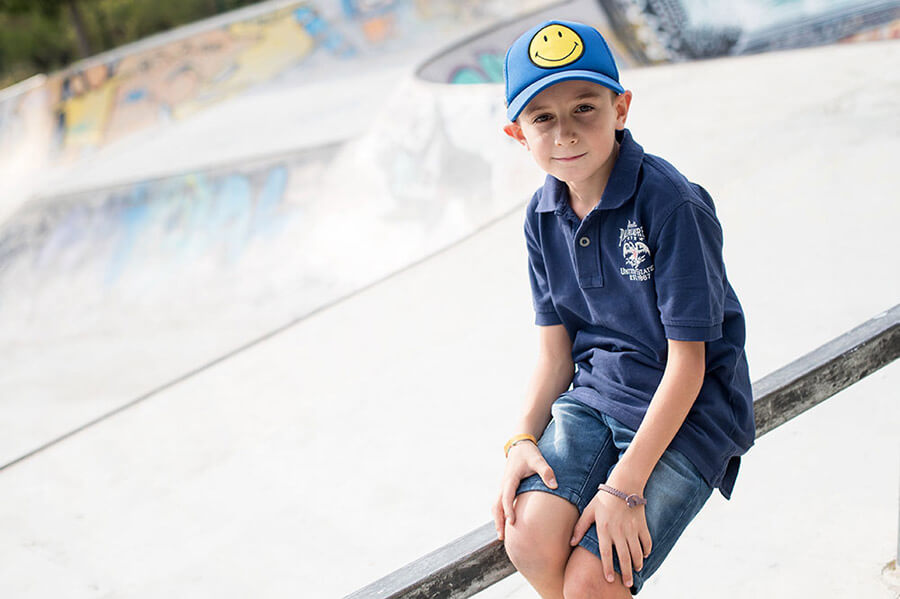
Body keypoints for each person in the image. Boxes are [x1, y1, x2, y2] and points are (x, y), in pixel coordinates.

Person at [490, 19, 755, 598]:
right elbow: (555, 353)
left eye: (584, 107)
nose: (565, 133)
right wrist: (521, 441)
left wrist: (624, 487)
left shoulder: (671, 204)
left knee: (594, 579)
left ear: (621, 107)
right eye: (542, 118)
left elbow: (691, 364)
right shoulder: (542, 216)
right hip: (598, 394)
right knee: (528, 537)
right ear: (517, 134)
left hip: (690, 412)